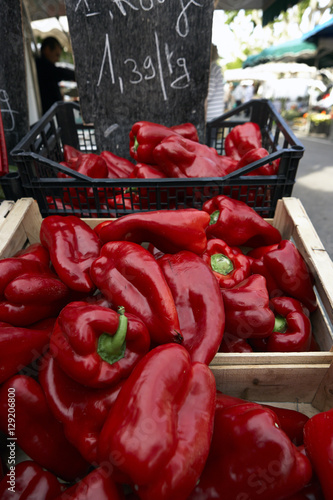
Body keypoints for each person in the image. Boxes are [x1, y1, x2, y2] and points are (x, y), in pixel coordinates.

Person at [36, 36, 76, 114]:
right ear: (47, 50)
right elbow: (61, 73)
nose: (57, 59)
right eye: (57, 55)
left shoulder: (44, 67)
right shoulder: (43, 67)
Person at [206, 44, 225, 122]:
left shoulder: (212, 68)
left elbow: (208, 94)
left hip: (210, 117)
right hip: (215, 115)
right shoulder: (215, 68)